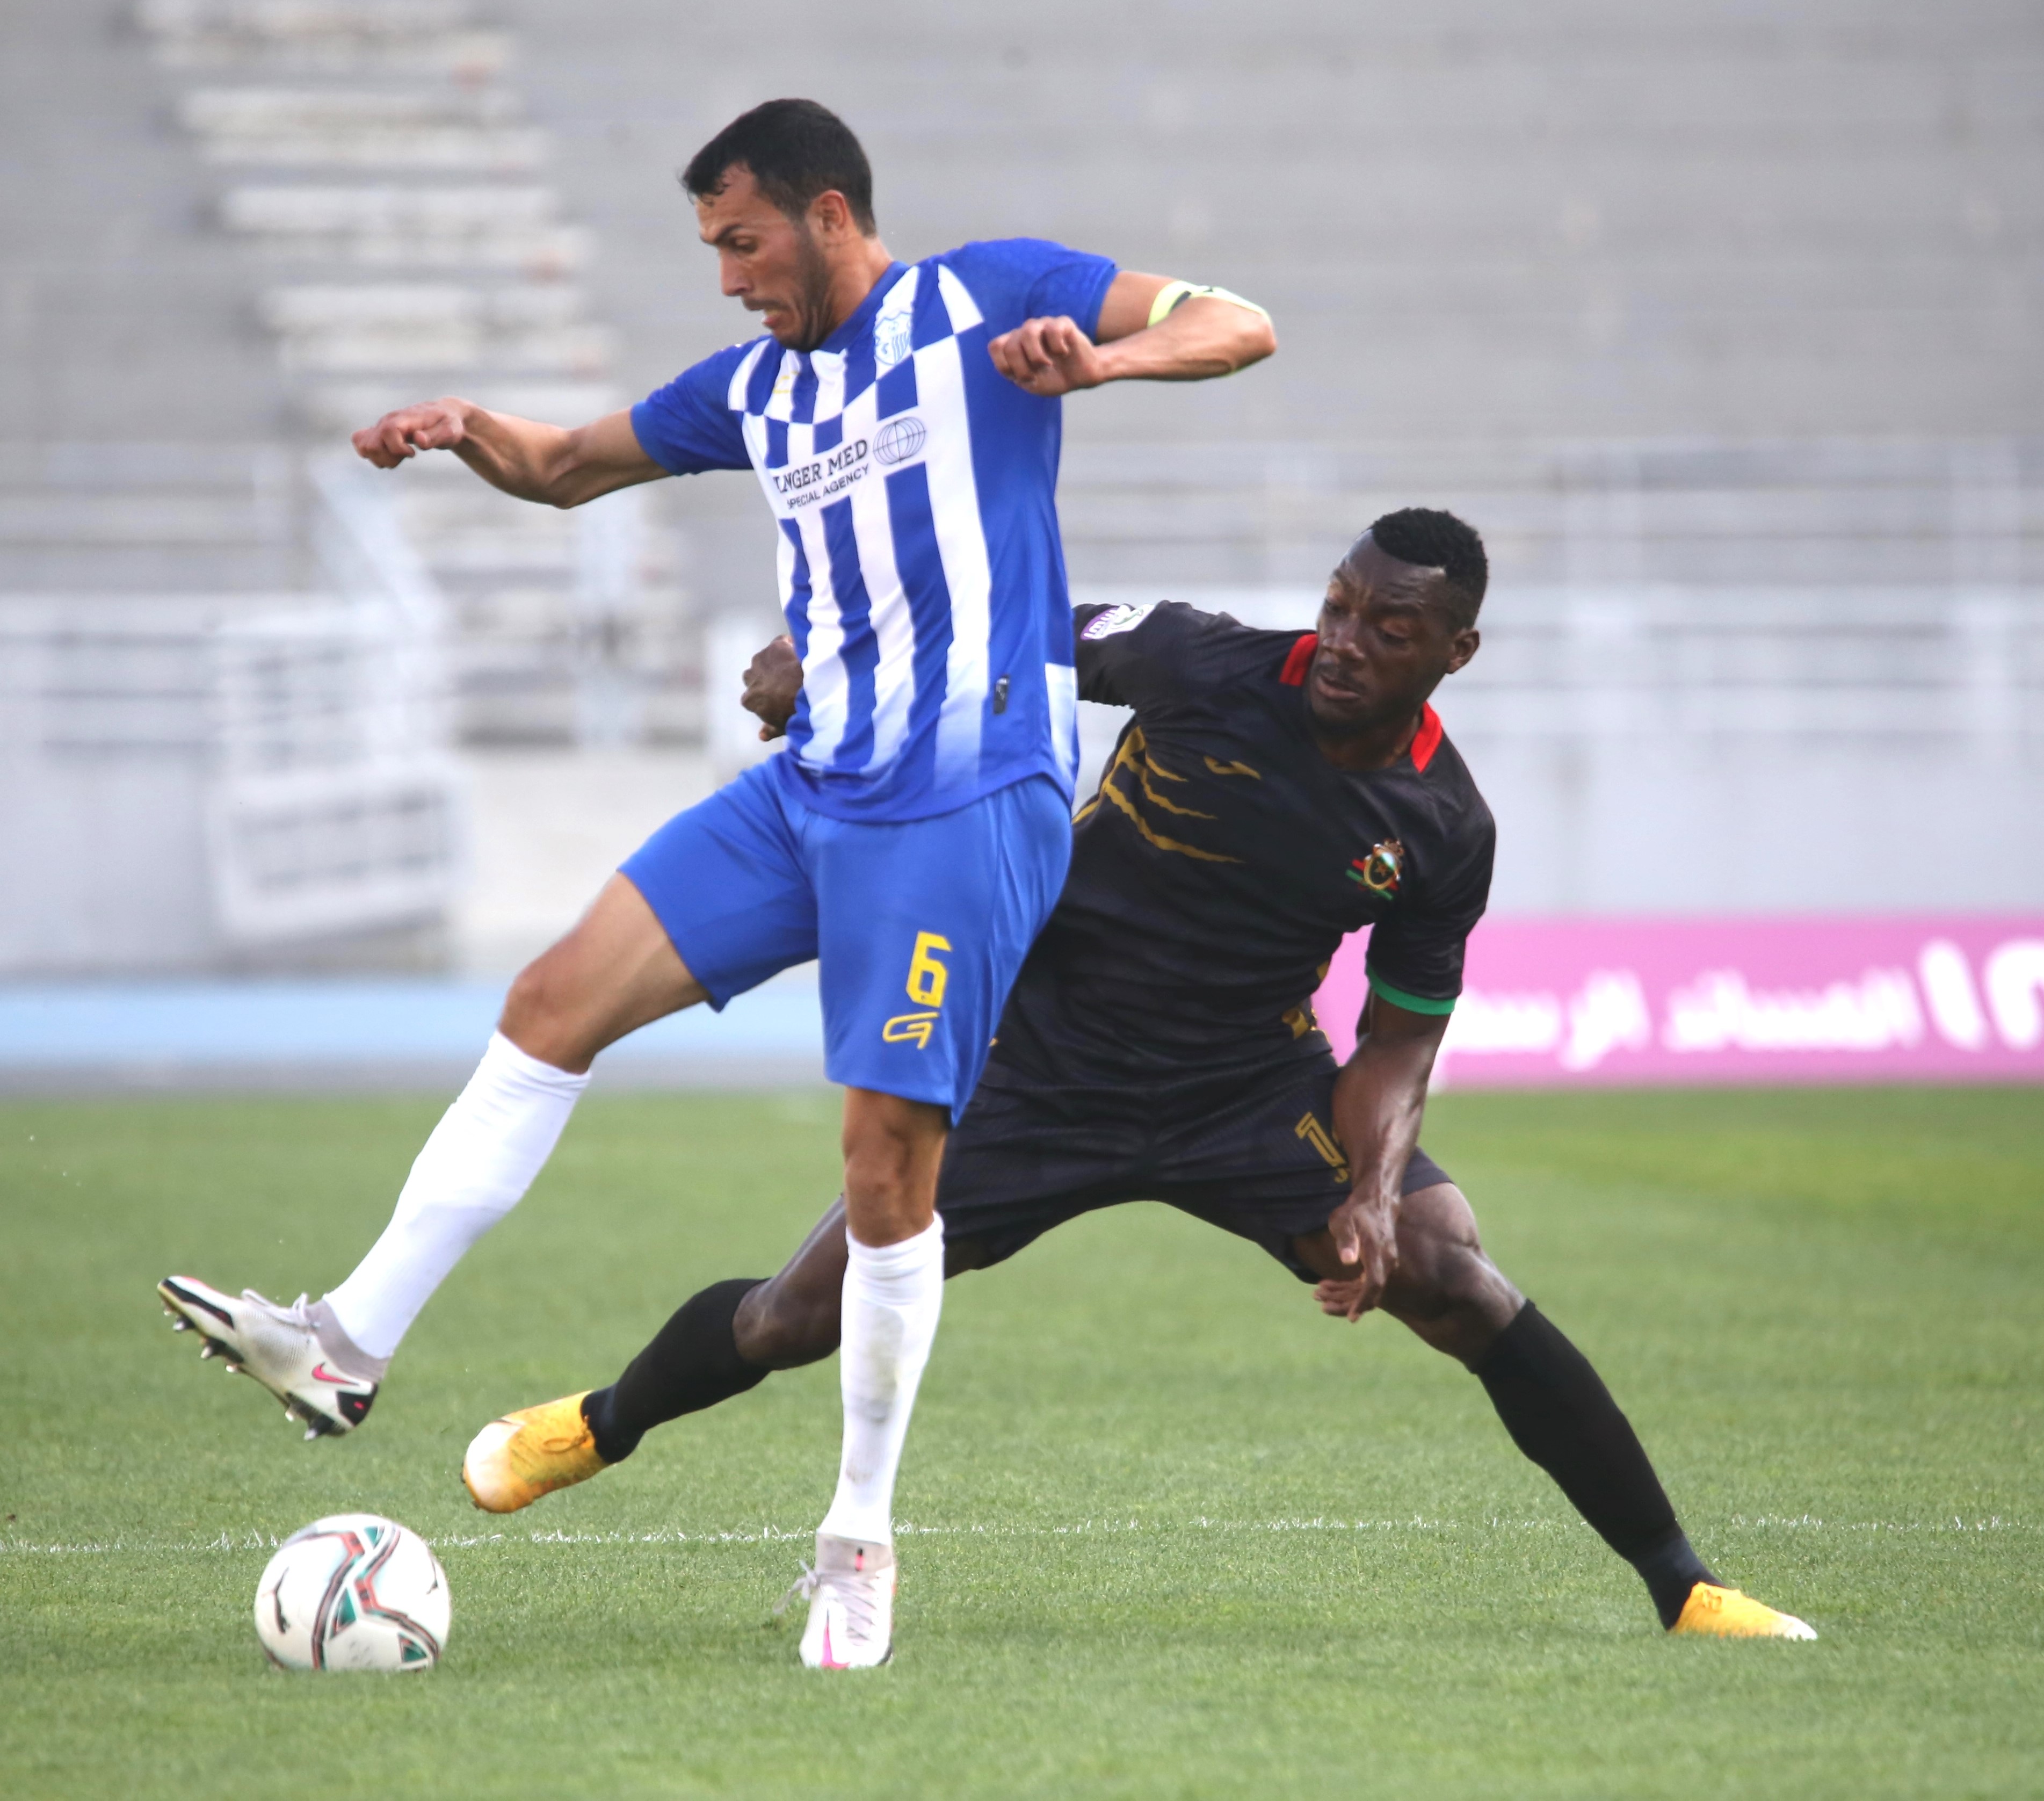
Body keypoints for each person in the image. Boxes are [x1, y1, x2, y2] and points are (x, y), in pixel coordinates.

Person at [154, 97, 1277, 1669]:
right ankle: (347, 1340)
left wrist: (1106, 360)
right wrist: (465, 427)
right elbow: (560, 468)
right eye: (711, 252)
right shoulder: (751, 390)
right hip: (812, 788)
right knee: (551, 1002)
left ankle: (855, 1541)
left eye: (741, 243)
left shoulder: (986, 295)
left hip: (965, 801)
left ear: (828, 214)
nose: (730, 279)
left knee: (884, 1173)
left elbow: (1236, 324)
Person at [459, 510, 1817, 1652]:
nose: (1343, 642)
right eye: (1339, 606)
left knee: (1455, 1273)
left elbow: (1399, 1037)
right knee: (790, 1316)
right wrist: (822, 662)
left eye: (1387, 630)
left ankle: (1683, 1584)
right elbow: (997, 623)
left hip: (1243, 1085)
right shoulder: (1200, 660)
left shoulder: (1443, 828)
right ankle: (597, 1425)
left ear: (1455, 652)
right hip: (1044, 1060)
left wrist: (1374, 1188)